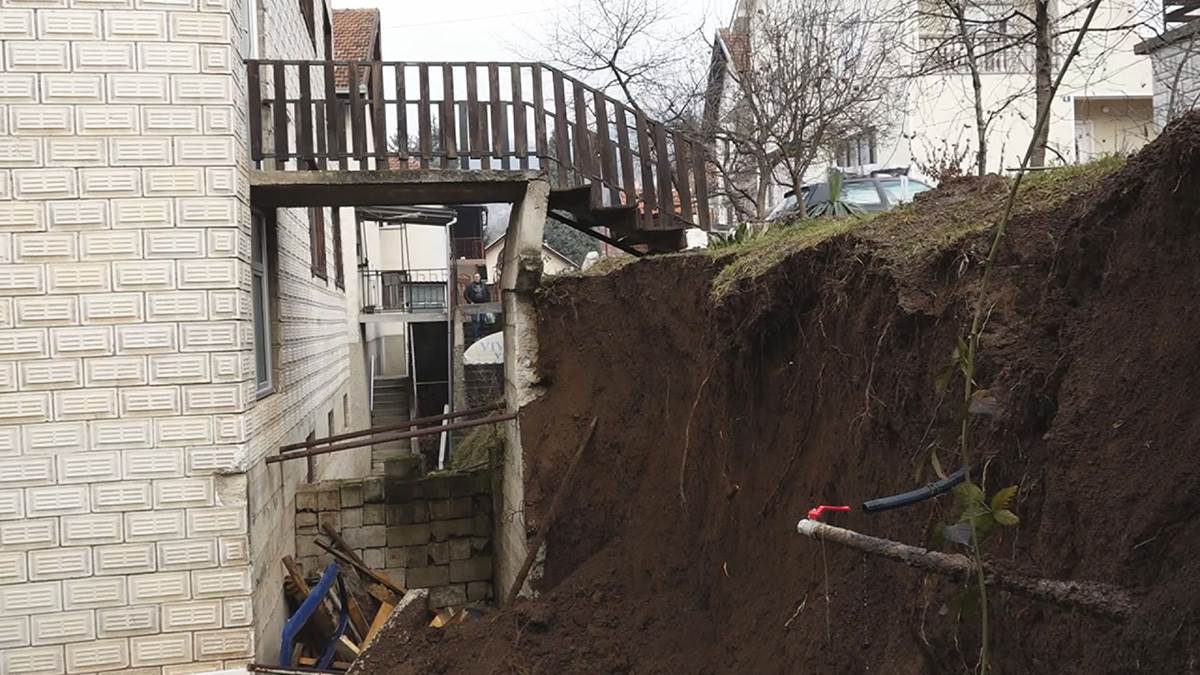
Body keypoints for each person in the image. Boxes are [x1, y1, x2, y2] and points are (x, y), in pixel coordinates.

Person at [464, 272, 490, 341]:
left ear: (480, 277)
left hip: (483, 305)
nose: (476, 278)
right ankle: (476, 336)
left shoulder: (484, 285)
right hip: (474, 306)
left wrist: (487, 302)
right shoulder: (470, 286)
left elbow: (488, 294)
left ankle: (482, 335)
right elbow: (466, 295)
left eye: (477, 277)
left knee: (482, 320)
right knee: (475, 321)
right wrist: (470, 302)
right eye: (475, 277)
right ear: (474, 278)